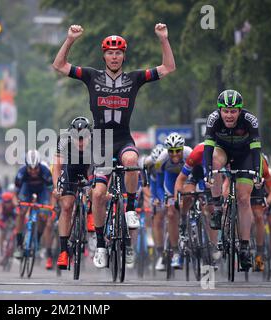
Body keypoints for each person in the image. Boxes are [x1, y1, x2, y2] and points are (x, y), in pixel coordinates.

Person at [52, 23, 176, 268]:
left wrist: (163, 39)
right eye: (110, 52)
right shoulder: (91, 76)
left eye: (119, 52)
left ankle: (130, 206)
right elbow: (59, 66)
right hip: (100, 143)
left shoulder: (134, 78)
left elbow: (168, 67)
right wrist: (69, 40)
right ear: (104, 55)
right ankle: (99, 244)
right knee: (98, 194)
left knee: (132, 161)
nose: (114, 56)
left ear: (123, 56)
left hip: (123, 139)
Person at [203, 89, 262, 271]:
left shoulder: (250, 120)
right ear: (220, 110)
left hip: (245, 154)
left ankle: (244, 247)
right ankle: (218, 207)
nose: (229, 115)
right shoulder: (213, 119)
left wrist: (257, 172)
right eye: (225, 111)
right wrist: (208, 172)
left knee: (244, 199)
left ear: (240, 110)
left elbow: (256, 150)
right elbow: (207, 148)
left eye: (233, 111)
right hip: (223, 151)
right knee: (215, 161)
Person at [53, 117, 93, 269]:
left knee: (95, 191)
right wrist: (57, 187)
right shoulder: (63, 139)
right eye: (77, 138)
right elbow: (57, 164)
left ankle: (89, 214)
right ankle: (63, 252)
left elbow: (103, 169)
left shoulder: (98, 140)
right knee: (67, 206)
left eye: (83, 138)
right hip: (70, 169)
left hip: (89, 168)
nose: (80, 142)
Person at [155, 133, 192, 269]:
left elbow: (200, 173)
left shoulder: (190, 153)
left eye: (178, 151)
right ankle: (176, 252)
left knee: (189, 196)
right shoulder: (161, 159)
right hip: (170, 181)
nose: (175, 154)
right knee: (170, 214)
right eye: (171, 151)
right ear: (167, 150)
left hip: (187, 178)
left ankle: (186, 220)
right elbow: (158, 183)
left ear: (183, 149)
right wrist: (160, 197)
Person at [13, 150, 54, 269]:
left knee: (43, 216)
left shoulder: (46, 172)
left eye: (36, 168)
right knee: (21, 213)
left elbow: (51, 192)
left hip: (42, 192)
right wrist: (17, 204)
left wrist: (51, 206)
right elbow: (15, 194)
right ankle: (19, 243)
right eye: (30, 169)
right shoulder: (21, 173)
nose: (33, 171)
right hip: (27, 189)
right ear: (26, 166)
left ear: (39, 165)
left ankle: (38, 238)